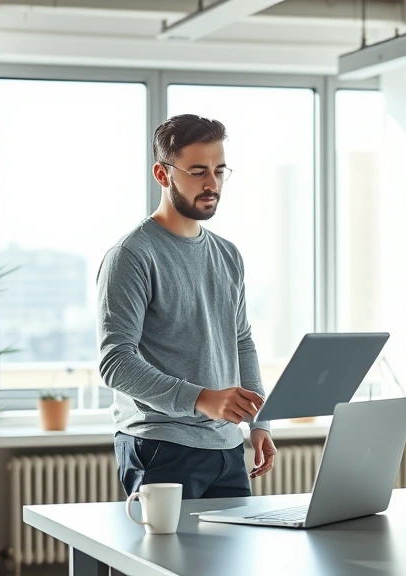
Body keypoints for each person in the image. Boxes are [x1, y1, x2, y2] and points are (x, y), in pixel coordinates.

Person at [96, 114, 277, 500]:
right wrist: (201, 399)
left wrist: (258, 422)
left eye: (219, 170)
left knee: (231, 560)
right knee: (162, 561)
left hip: (227, 447)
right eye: (198, 172)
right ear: (162, 174)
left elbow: (241, 341)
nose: (212, 183)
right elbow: (115, 362)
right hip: (161, 446)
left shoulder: (228, 255)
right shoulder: (131, 256)